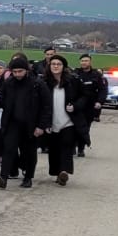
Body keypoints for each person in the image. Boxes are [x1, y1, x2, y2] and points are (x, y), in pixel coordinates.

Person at [0, 54, 42, 189]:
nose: (17, 74)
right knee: (9, 149)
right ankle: (3, 176)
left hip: (31, 124)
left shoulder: (37, 83)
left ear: (26, 70)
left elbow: (46, 106)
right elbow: (1, 97)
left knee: (29, 152)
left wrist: (42, 125)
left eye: (20, 71)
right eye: (14, 72)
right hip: (12, 123)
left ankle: (28, 177)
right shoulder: (9, 83)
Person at [38, 53, 85, 185]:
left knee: (66, 145)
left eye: (58, 64)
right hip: (51, 120)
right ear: (49, 66)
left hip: (68, 121)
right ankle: (57, 172)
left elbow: (84, 97)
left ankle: (64, 171)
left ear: (63, 67)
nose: (56, 66)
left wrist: (75, 106)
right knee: (53, 148)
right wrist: (43, 122)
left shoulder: (72, 81)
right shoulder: (44, 82)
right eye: (53, 64)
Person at [73, 54, 106, 157]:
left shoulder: (96, 75)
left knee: (85, 127)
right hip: (77, 105)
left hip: (90, 106)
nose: (84, 63)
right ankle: (72, 146)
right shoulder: (75, 74)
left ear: (90, 62)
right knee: (74, 127)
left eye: (86, 61)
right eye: (82, 61)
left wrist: (99, 102)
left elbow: (102, 90)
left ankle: (81, 148)